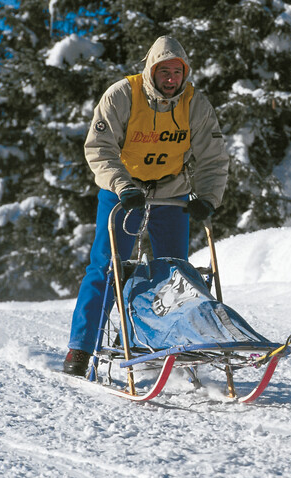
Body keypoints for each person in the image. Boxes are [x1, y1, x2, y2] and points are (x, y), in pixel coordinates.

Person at [63, 36, 230, 376]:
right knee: (107, 269)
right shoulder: (123, 95)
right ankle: (80, 350)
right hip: (125, 192)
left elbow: (213, 157)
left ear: (185, 74)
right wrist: (123, 185)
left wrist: (208, 198)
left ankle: (171, 346)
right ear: (151, 71)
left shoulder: (194, 104)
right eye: (164, 71)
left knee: (175, 274)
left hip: (171, 192)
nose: (171, 79)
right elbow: (100, 148)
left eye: (177, 72)